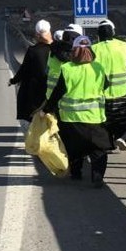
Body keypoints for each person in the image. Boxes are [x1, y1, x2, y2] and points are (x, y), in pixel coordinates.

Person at [41, 35, 112, 188]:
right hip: (94, 117)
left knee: (74, 147)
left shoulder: (66, 69)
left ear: (73, 51)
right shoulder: (98, 68)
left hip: (70, 118)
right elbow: (106, 86)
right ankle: (97, 177)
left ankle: (76, 173)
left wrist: (46, 109)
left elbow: (57, 93)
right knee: (98, 148)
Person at [93, 19, 126, 150]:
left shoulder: (94, 49)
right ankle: (121, 137)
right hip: (121, 92)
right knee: (122, 118)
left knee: (106, 120)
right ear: (113, 32)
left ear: (99, 34)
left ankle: (109, 143)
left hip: (102, 93)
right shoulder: (123, 46)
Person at [9, 19, 52, 122]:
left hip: (36, 92)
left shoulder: (33, 51)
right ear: (50, 32)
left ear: (37, 34)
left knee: (35, 120)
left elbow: (24, 69)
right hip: (51, 90)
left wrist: (13, 81)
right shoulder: (55, 50)